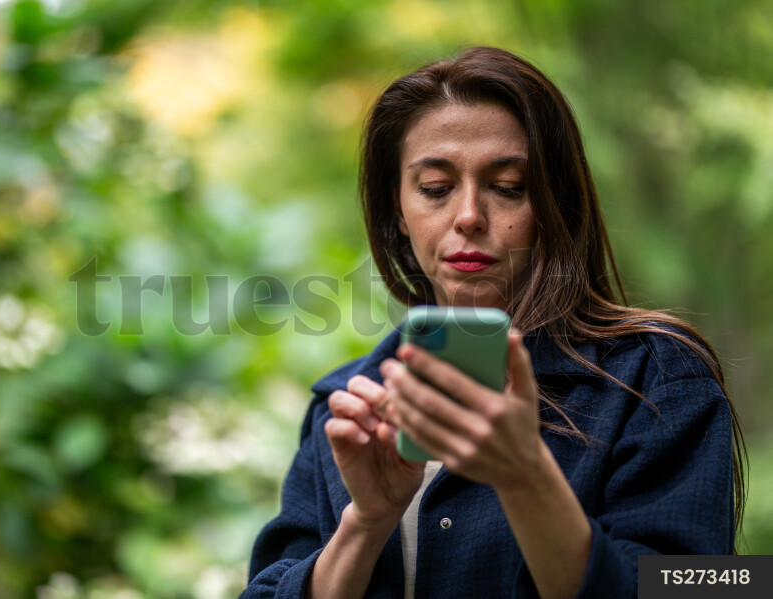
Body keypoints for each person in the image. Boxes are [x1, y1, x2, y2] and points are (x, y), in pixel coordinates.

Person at [240, 46, 746, 599]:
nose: (468, 217)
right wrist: (365, 524)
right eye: (435, 188)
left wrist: (525, 476)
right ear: (399, 211)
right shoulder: (346, 408)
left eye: (508, 187)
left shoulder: (656, 378)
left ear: (555, 205)